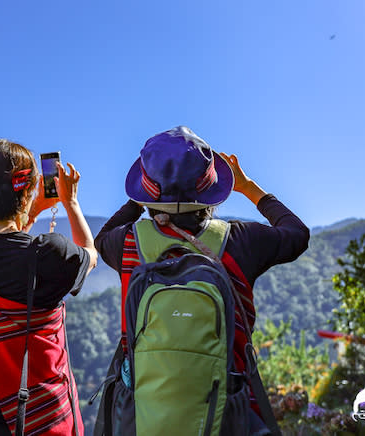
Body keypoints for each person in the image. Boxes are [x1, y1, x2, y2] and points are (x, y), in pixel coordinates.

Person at [93, 126, 310, 435]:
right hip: (227, 414)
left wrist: (138, 200)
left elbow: (100, 238)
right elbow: (297, 234)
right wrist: (248, 188)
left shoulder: (126, 242)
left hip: (143, 414)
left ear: (145, 190)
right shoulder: (239, 241)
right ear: (211, 187)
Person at [0, 139, 98, 436]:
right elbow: (89, 254)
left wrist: (31, 211)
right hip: (38, 422)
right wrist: (70, 202)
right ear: (27, 191)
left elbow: (2, 251)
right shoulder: (48, 255)